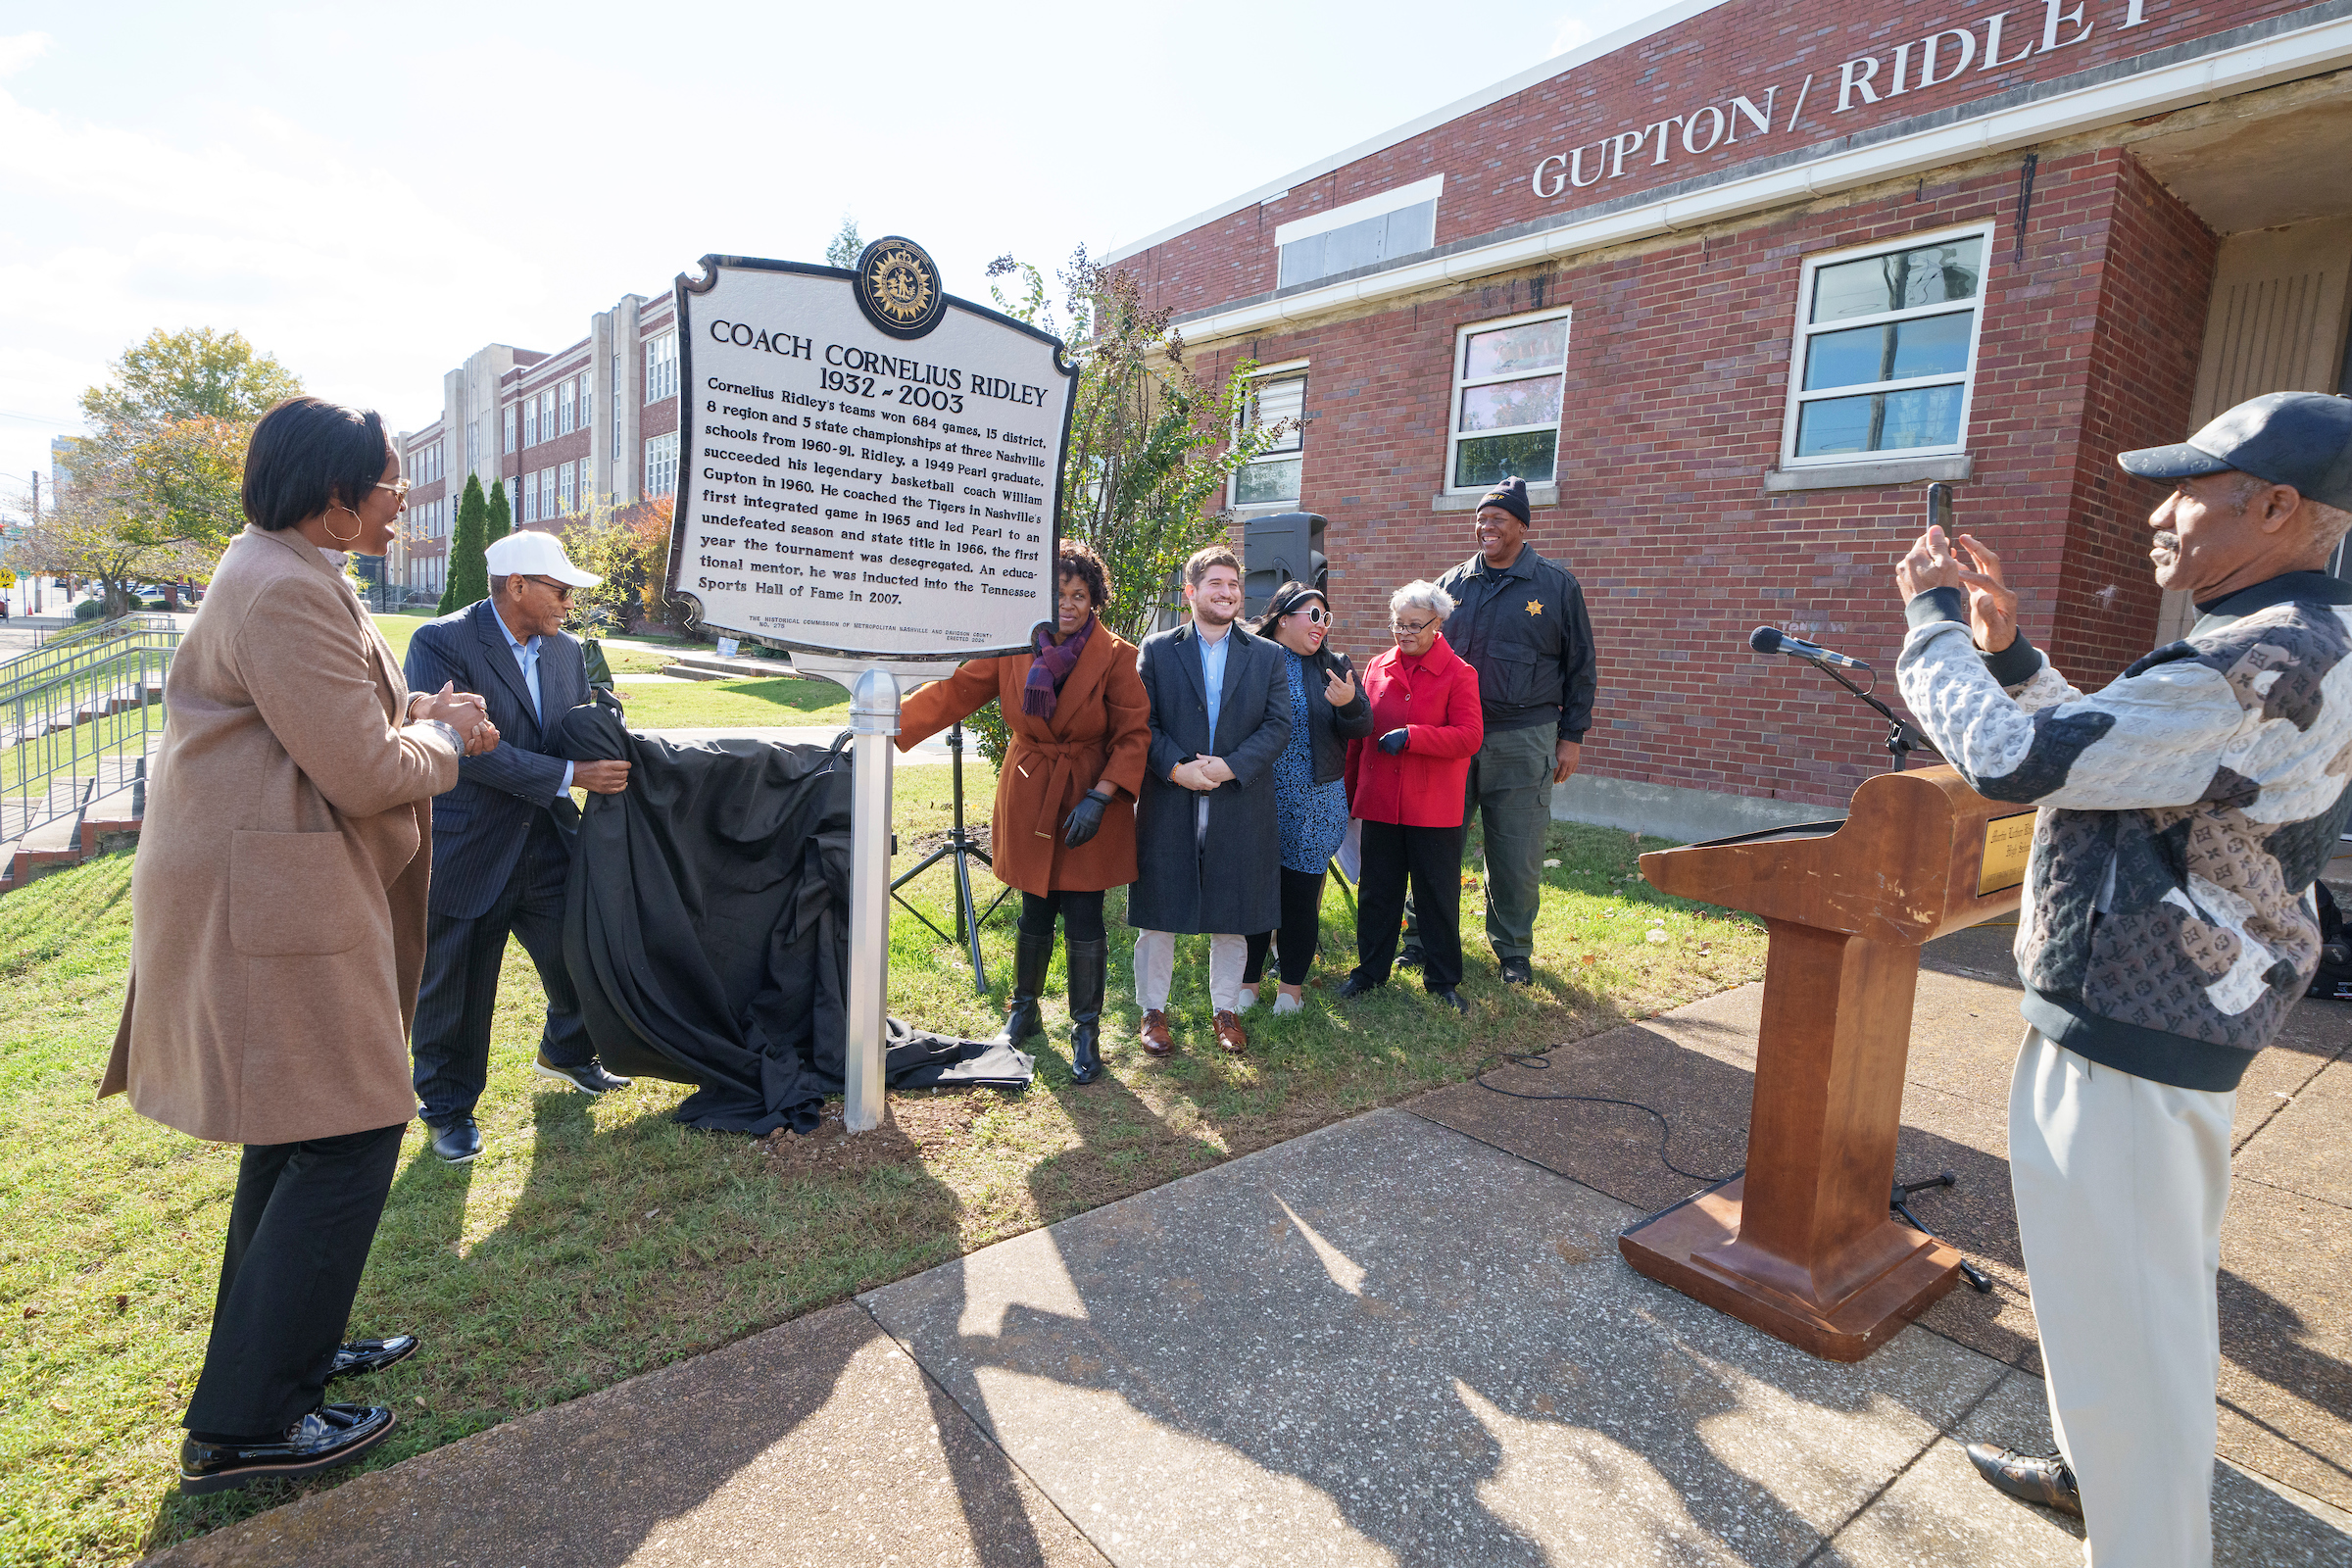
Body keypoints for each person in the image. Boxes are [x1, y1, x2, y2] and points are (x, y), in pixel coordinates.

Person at [1893, 390, 2352, 1565]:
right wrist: (2014, 653)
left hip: (2140, 1032)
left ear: (2280, 506)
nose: (2160, 513)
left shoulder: (2253, 658)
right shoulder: (2299, 636)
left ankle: (2145, 1537)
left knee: (2136, 1323)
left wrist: (1934, 626)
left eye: (2187, 488)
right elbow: (2113, 756)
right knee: (2126, 1302)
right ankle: (2101, 1474)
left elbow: (2016, 759)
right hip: (2158, 1020)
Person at [101, 396, 500, 1494]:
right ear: (332, 500)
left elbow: (327, 714)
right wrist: (446, 736)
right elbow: (370, 770)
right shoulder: (282, 587)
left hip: (279, 890)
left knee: (302, 1128)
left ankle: (283, 1360)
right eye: (388, 481)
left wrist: (417, 704)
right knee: (354, 1125)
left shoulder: (284, 569)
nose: (404, 497)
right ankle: (250, 1420)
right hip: (274, 903)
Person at [404, 529, 634, 1165]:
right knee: (457, 987)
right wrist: (570, 777)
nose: (567, 602)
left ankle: (565, 1051)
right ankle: (448, 1110)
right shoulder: (440, 644)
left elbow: (559, 732)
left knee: (583, 952)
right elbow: (464, 752)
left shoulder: (562, 652)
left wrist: (602, 738)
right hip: (468, 846)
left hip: (547, 841)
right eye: (560, 590)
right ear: (517, 587)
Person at [895, 542, 1150, 1083]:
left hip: (1089, 795)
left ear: (1094, 601)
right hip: (1031, 787)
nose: (1068, 603)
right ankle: (1023, 1010)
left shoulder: (1117, 656)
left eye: (1080, 594)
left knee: (1084, 914)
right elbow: (957, 692)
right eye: (1059, 593)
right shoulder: (1013, 648)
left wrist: (1102, 796)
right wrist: (889, 724)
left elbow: (1133, 736)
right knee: (1033, 906)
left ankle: (1086, 1031)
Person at [1423, 475, 1596, 984]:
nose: (1486, 526)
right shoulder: (1451, 585)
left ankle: (1513, 951)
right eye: (1481, 517)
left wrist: (1572, 736)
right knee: (1436, 844)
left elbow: (1581, 667)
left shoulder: (1556, 586)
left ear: (1523, 524)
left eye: (1498, 518)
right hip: (1452, 739)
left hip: (1525, 738)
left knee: (1516, 851)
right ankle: (1422, 938)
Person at [1130, 546, 1293, 1054]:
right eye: (1216, 584)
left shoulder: (1267, 655)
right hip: (1171, 797)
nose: (1227, 593)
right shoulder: (1157, 650)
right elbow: (1142, 722)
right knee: (1160, 911)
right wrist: (1178, 768)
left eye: (1234, 585)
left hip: (1238, 800)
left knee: (1234, 908)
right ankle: (1152, 1011)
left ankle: (1226, 1010)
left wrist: (1230, 767)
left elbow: (1278, 725)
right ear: (1191, 592)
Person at [1337, 581, 1484, 1012]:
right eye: (1397, 624)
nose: (1404, 632)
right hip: (1381, 799)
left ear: (1437, 625)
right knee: (1377, 892)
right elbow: (1360, 737)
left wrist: (1414, 737)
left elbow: (1470, 736)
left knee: (1436, 895)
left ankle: (1442, 980)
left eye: (1414, 625)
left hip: (1432, 806)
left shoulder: (1460, 673)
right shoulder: (1377, 666)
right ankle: (1369, 971)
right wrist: (1348, 794)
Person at [1238, 580, 1372, 1012]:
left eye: (1326, 618)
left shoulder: (1334, 665)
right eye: (1313, 616)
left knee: (1299, 898)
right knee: (1256, 895)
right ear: (1281, 617)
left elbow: (1362, 725)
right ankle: (1246, 984)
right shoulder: (1251, 659)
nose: (1322, 626)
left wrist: (1350, 702)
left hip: (1316, 801)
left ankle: (1290, 991)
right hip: (1258, 798)